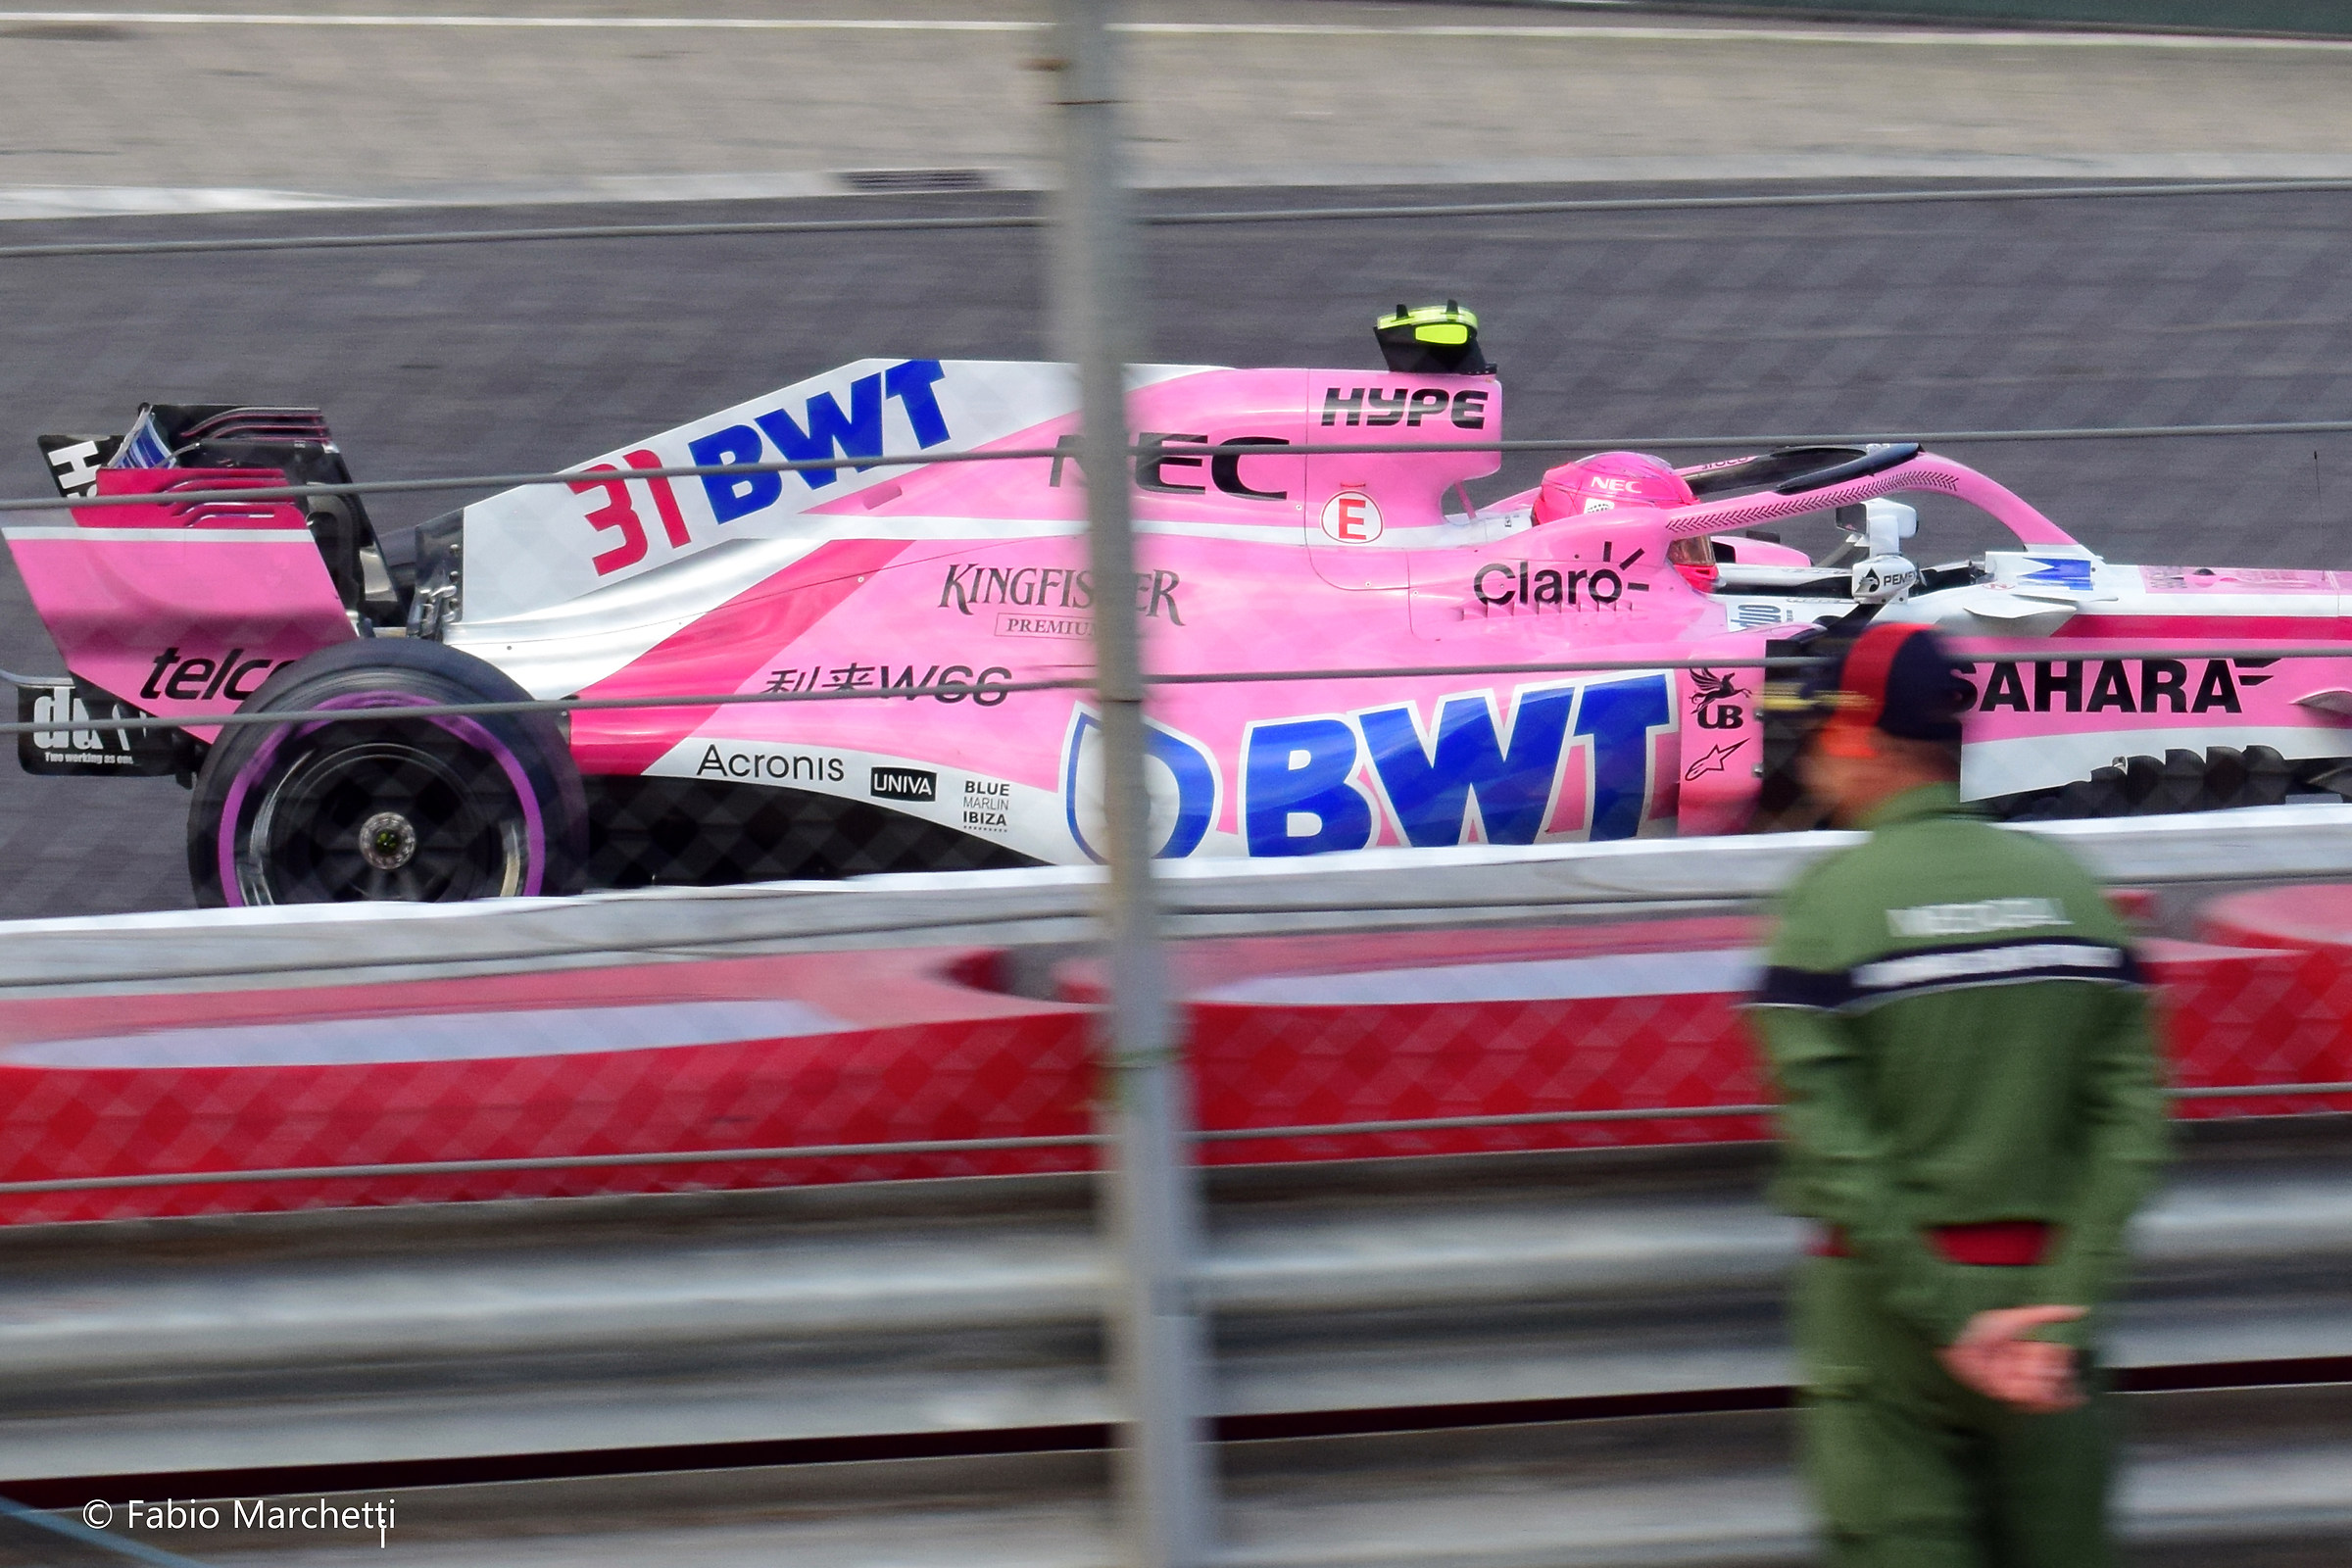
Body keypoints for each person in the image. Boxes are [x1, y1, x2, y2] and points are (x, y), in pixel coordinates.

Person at [1744, 620, 2170, 1568]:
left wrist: (1952, 1320)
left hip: (1887, 1325)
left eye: (1820, 732)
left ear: (1857, 737)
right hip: (2049, 1324)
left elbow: (1836, 1151)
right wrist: (2060, 1313)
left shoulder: (1825, 909)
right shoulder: (2075, 893)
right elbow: (2133, 1126)